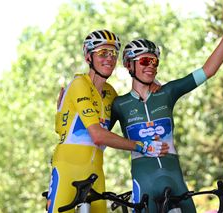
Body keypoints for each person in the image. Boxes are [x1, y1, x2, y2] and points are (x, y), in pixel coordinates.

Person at [110, 3, 223, 213]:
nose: (151, 65)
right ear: (128, 65)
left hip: (175, 178)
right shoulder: (119, 104)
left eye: (154, 61)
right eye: (144, 60)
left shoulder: (167, 93)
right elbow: (97, 136)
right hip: (145, 184)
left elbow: (207, 71)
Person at [46, 29, 169, 213]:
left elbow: (130, 112)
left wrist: (153, 84)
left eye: (113, 53)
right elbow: (97, 135)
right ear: (88, 57)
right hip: (67, 168)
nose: (109, 58)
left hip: (96, 172)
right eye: (103, 53)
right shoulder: (80, 84)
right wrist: (142, 146)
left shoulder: (111, 93)